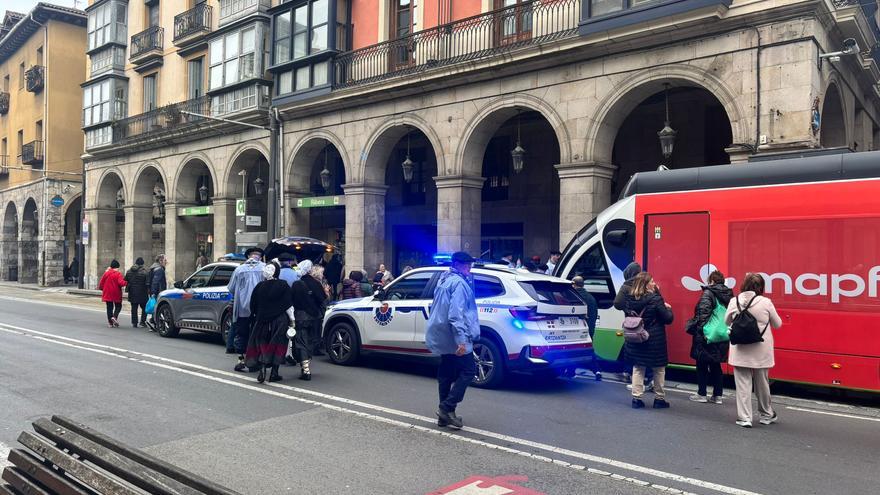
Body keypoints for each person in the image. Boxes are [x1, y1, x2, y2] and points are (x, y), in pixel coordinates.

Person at [425, 251, 480, 430]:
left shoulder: (444, 279)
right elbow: (456, 315)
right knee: (469, 370)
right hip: (454, 336)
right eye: (466, 264)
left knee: (446, 373)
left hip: (442, 334)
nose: (469, 267)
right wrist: (462, 341)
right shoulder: (459, 284)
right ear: (457, 264)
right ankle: (447, 407)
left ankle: (445, 416)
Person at [725, 273, 783, 428]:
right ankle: (766, 414)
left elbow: (727, 321)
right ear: (761, 287)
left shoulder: (734, 300)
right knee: (762, 383)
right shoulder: (766, 302)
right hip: (761, 350)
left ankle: (745, 418)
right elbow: (777, 324)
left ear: (744, 285)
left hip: (740, 349)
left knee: (743, 384)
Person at [622, 272, 673, 409]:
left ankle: (636, 399)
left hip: (637, 338)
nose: (654, 283)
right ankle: (659, 398)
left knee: (638, 368)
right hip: (654, 339)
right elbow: (667, 319)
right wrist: (668, 308)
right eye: (651, 281)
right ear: (646, 285)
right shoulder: (655, 299)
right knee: (659, 369)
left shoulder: (629, 299)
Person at [686, 270, 732, 404]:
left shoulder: (708, 293)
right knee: (716, 365)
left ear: (711, 281)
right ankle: (717, 396)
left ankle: (702, 394)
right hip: (722, 335)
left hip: (708, 335)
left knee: (701, 364)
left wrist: (702, 333)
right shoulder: (729, 295)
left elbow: (702, 316)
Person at [245, 261, 295, 383]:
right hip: (279, 320)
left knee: (263, 343)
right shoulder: (283, 285)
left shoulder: (259, 286)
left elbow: (252, 305)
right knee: (278, 345)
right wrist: (292, 320)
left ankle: (262, 367)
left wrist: (257, 315)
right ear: (277, 272)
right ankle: (274, 373)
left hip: (262, 320)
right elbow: (289, 305)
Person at [227, 247, 266, 370]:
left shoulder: (239, 269)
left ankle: (241, 360)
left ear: (248, 256)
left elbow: (231, 288)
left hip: (242, 309)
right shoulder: (264, 268)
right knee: (258, 334)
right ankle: (256, 360)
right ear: (259, 256)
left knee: (242, 333)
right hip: (259, 309)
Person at [290, 260, 328, 380]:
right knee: (311, 341)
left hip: (300, 317)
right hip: (314, 317)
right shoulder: (316, 284)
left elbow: (292, 301)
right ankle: (306, 365)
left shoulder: (296, 284)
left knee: (301, 342)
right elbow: (322, 300)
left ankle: (305, 368)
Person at [572, 276, 600, 381]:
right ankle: (597, 370)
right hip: (590, 328)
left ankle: (571, 371)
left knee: (573, 350)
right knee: (589, 349)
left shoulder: (574, 296)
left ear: (574, 284)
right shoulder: (591, 298)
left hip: (578, 329)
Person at [98, 260, 127, 328]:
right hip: (116, 292)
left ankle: (110, 323)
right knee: (118, 306)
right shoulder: (118, 274)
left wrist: (102, 289)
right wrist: (126, 282)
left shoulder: (106, 273)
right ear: (117, 267)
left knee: (109, 308)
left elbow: (101, 283)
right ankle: (114, 317)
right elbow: (121, 283)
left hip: (107, 293)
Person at [124, 257, 150, 328]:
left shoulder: (129, 271)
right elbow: (147, 283)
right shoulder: (145, 272)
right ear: (142, 264)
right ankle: (142, 322)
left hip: (132, 292)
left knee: (134, 308)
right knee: (144, 308)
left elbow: (125, 280)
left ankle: (134, 323)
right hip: (142, 292)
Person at [146, 254, 167, 331]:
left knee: (156, 307)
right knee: (158, 308)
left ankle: (153, 322)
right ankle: (152, 321)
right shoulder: (159, 269)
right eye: (165, 260)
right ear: (160, 261)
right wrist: (154, 292)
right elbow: (155, 281)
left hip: (154, 291)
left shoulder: (153, 268)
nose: (166, 262)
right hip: (158, 291)